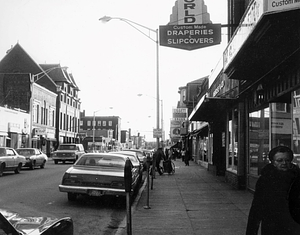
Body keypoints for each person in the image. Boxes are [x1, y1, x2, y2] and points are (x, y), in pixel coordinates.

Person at [246, 145, 300, 235]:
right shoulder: (266, 180)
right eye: (279, 160)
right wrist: (251, 231)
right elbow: (256, 208)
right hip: (273, 226)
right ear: (273, 162)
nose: (284, 163)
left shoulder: (297, 178)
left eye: (287, 160)